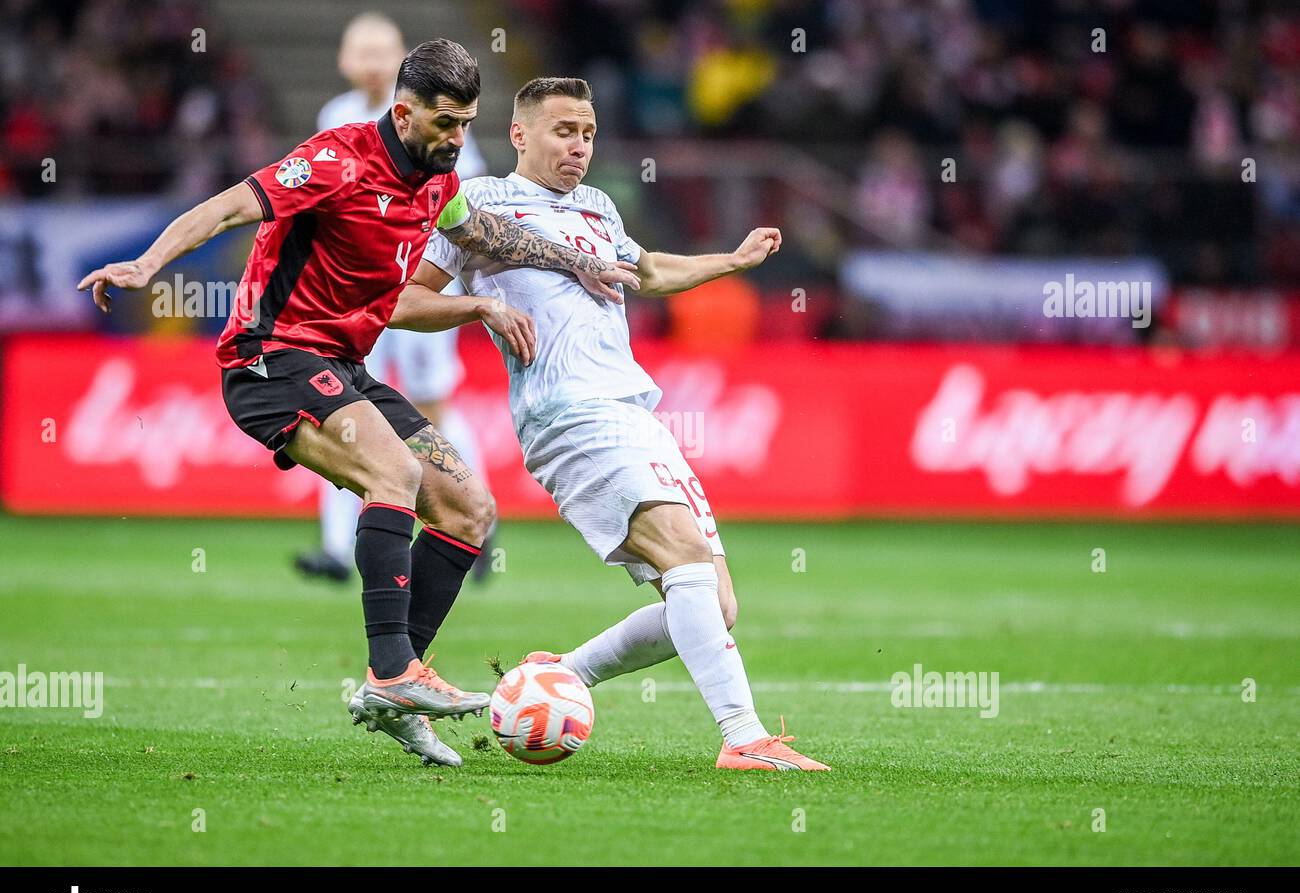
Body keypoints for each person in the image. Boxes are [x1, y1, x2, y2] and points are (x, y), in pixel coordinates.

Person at [77, 45, 638, 769]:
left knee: (469, 507)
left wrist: (573, 265)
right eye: (444, 123)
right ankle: (395, 671)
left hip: (343, 367)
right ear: (402, 113)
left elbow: (490, 236)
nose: (457, 140)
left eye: (467, 123)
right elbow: (227, 208)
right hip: (269, 356)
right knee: (395, 474)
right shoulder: (337, 160)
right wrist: (148, 265)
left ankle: (390, 689)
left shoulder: (441, 183)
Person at [397, 77, 828, 771]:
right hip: (567, 415)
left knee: (714, 604)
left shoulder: (598, 206)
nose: (579, 146)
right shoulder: (477, 202)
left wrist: (734, 260)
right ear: (519, 135)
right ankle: (744, 738)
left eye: (589, 133)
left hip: (633, 412)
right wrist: (480, 310)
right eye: (564, 130)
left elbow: (647, 271)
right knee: (684, 557)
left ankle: (559, 675)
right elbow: (406, 301)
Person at [298, 12, 494, 584]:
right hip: (357, 291)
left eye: (383, 51)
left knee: (430, 407)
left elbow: (460, 201)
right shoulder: (335, 117)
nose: (373, 62)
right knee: (347, 406)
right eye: (362, 51)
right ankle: (337, 547)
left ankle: (475, 510)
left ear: (401, 58)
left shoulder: (439, 115)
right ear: (344, 60)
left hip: (419, 284)